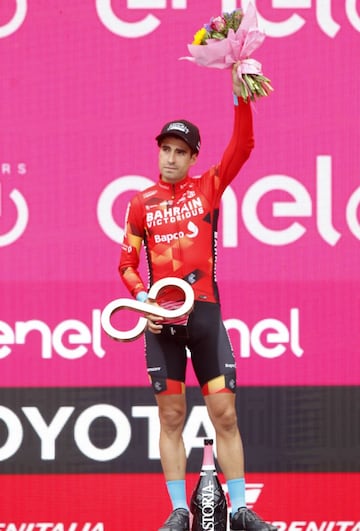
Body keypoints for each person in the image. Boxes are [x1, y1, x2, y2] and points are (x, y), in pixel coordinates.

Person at [118, 63, 277, 531]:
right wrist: (144, 300)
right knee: (171, 416)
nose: (169, 158)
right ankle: (178, 510)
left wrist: (239, 95)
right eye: (165, 149)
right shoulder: (139, 203)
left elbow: (244, 146)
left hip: (204, 315)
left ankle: (242, 509)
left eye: (179, 152)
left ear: (193, 158)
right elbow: (126, 265)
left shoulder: (208, 187)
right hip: (160, 323)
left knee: (224, 414)